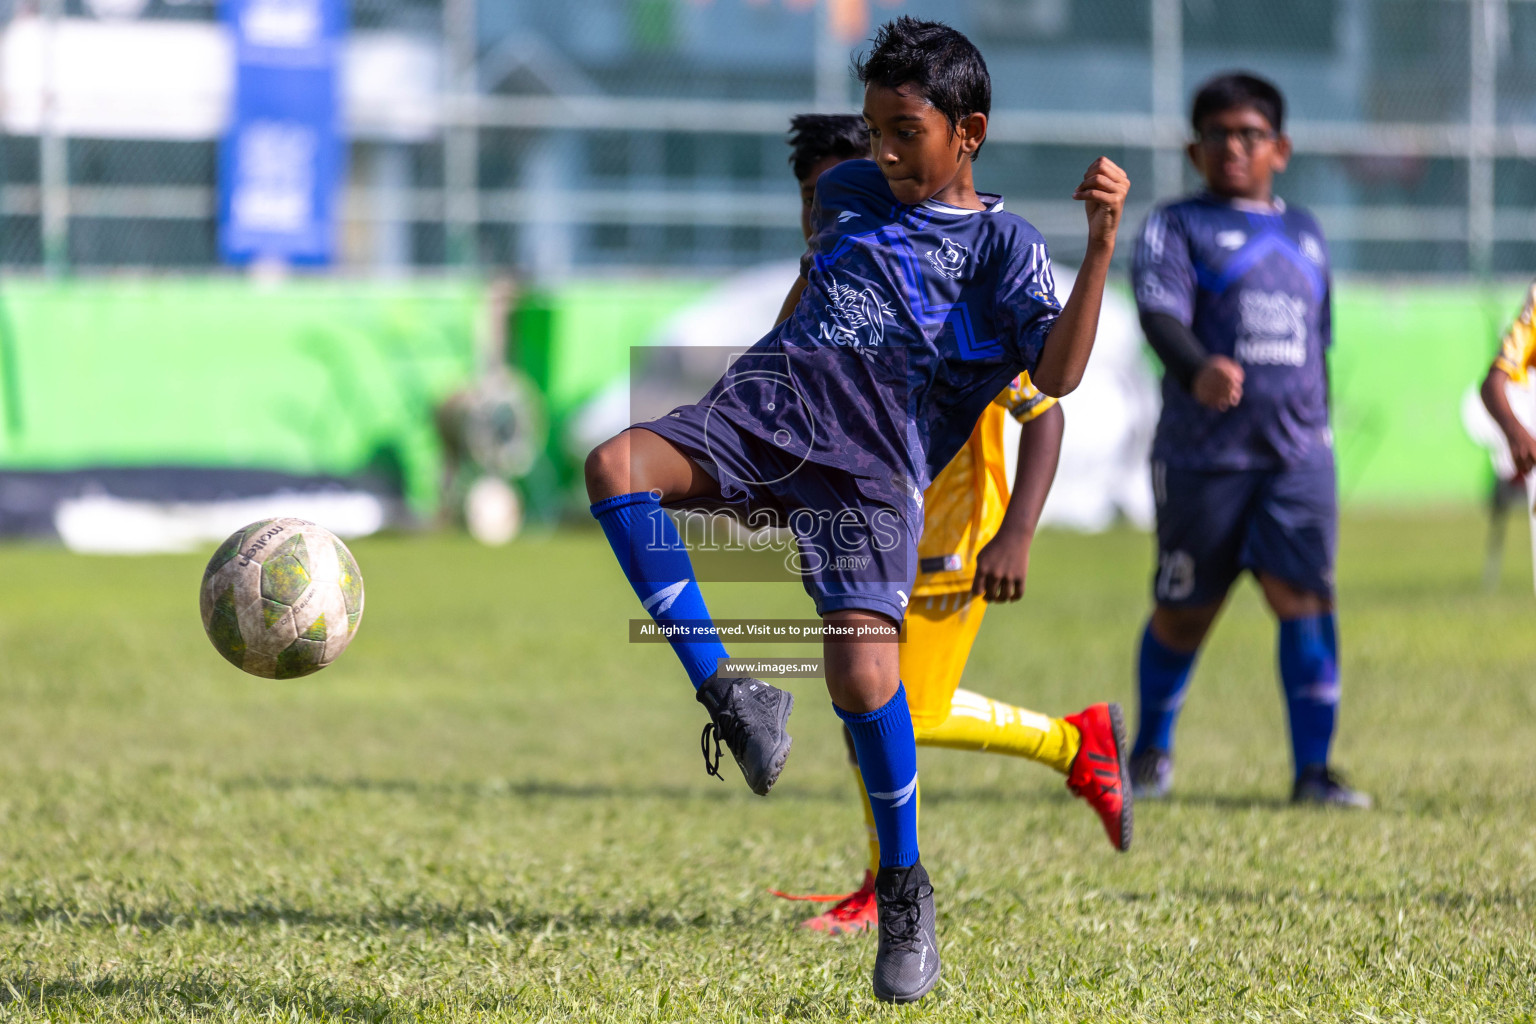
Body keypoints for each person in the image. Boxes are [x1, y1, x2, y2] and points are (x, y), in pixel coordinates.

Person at [585, 16, 1127, 1002]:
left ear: (969, 132)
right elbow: (805, 307)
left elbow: (1057, 376)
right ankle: (733, 695)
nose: (880, 150)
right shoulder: (844, 194)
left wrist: (1098, 248)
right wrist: (743, 452)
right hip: (763, 412)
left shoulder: (1002, 247)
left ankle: (905, 885)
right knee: (617, 466)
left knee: (866, 677)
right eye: (873, 126)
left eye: (903, 130)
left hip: (876, 467)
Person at [769, 114, 1131, 938]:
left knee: (896, 710)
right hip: (868, 537)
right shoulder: (832, 283)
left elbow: (1045, 411)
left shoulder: (941, 289)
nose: (820, 212)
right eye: (808, 197)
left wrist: (1017, 534)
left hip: (947, 541)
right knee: (872, 703)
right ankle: (882, 879)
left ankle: (1073, 750)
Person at [1129, 72, 1369, 808]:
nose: (1234, 147)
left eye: (1250, 134)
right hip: (1205, 458)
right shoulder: (1177, 224)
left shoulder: (1306, 233)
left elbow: (1317, 345)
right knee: (1184, 610)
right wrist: (1199, 369)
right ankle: (1149, 756)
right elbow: (1157, 314)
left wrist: (1318, 427)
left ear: (1281, 148)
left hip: (1296, 456)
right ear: (1194, 149)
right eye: (1218, 134)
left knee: (1306, 600)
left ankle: (1313, 773)